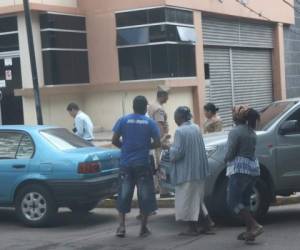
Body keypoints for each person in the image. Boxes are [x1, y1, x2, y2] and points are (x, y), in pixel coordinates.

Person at [112, 96, 161, 238]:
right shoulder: (150, 123)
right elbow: (157, 143)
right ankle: (143, 229)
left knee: (123, 195)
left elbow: (114, 140)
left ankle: (121, 227)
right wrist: (145, 147)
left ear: (133, 106)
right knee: (145, 196)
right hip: (143, 164)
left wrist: (126, 148)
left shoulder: (123, 120)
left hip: (126, 164)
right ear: (145, 107)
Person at [169, 106, 213, 236]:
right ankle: (207, 222)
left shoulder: (180, 131)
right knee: (197, 199)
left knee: (187, 200)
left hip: (186, 173)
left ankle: (192, 228)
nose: (175, 119)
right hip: (199, 171)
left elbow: (177, 153)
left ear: (180, 117)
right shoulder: (196, 128)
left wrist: (168, 147)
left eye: (175, 116)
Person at [225, 105, 263, 242]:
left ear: (236, 117)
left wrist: (225, 159)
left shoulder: (235, 132)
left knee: (233, 201)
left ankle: (254, 226)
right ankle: (250, 232)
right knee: (245, 201)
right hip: (253, 169)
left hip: (240, 170)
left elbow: (230, 153)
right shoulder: (251, 131)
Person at [148, 89, 173, 198]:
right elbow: (159, 125)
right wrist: (163, 140)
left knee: (157, 165)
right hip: (160, 140)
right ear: (162, 96)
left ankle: (157, 188)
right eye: (167, 96)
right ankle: (164, 191)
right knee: (163, 165)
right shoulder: (158, 109)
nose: (168, 99)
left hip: (154, 139)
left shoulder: (151, 106)